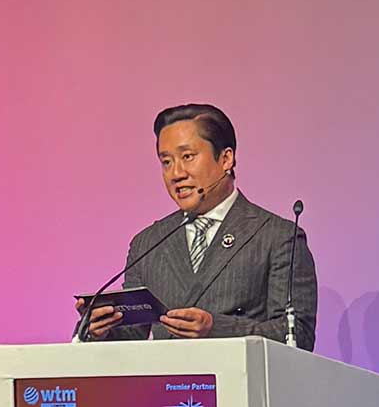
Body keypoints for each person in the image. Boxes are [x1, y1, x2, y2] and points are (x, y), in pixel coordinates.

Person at [79, 104, 317, 349]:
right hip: (165, 385)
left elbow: (297, 335)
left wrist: (215, 328)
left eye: (187, 157)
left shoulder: (277, 237)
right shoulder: (148, 243)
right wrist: (100, 329)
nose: (176, 173)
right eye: (166, 162)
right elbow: (132, 336)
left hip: (240, 382)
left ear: (226, 159)